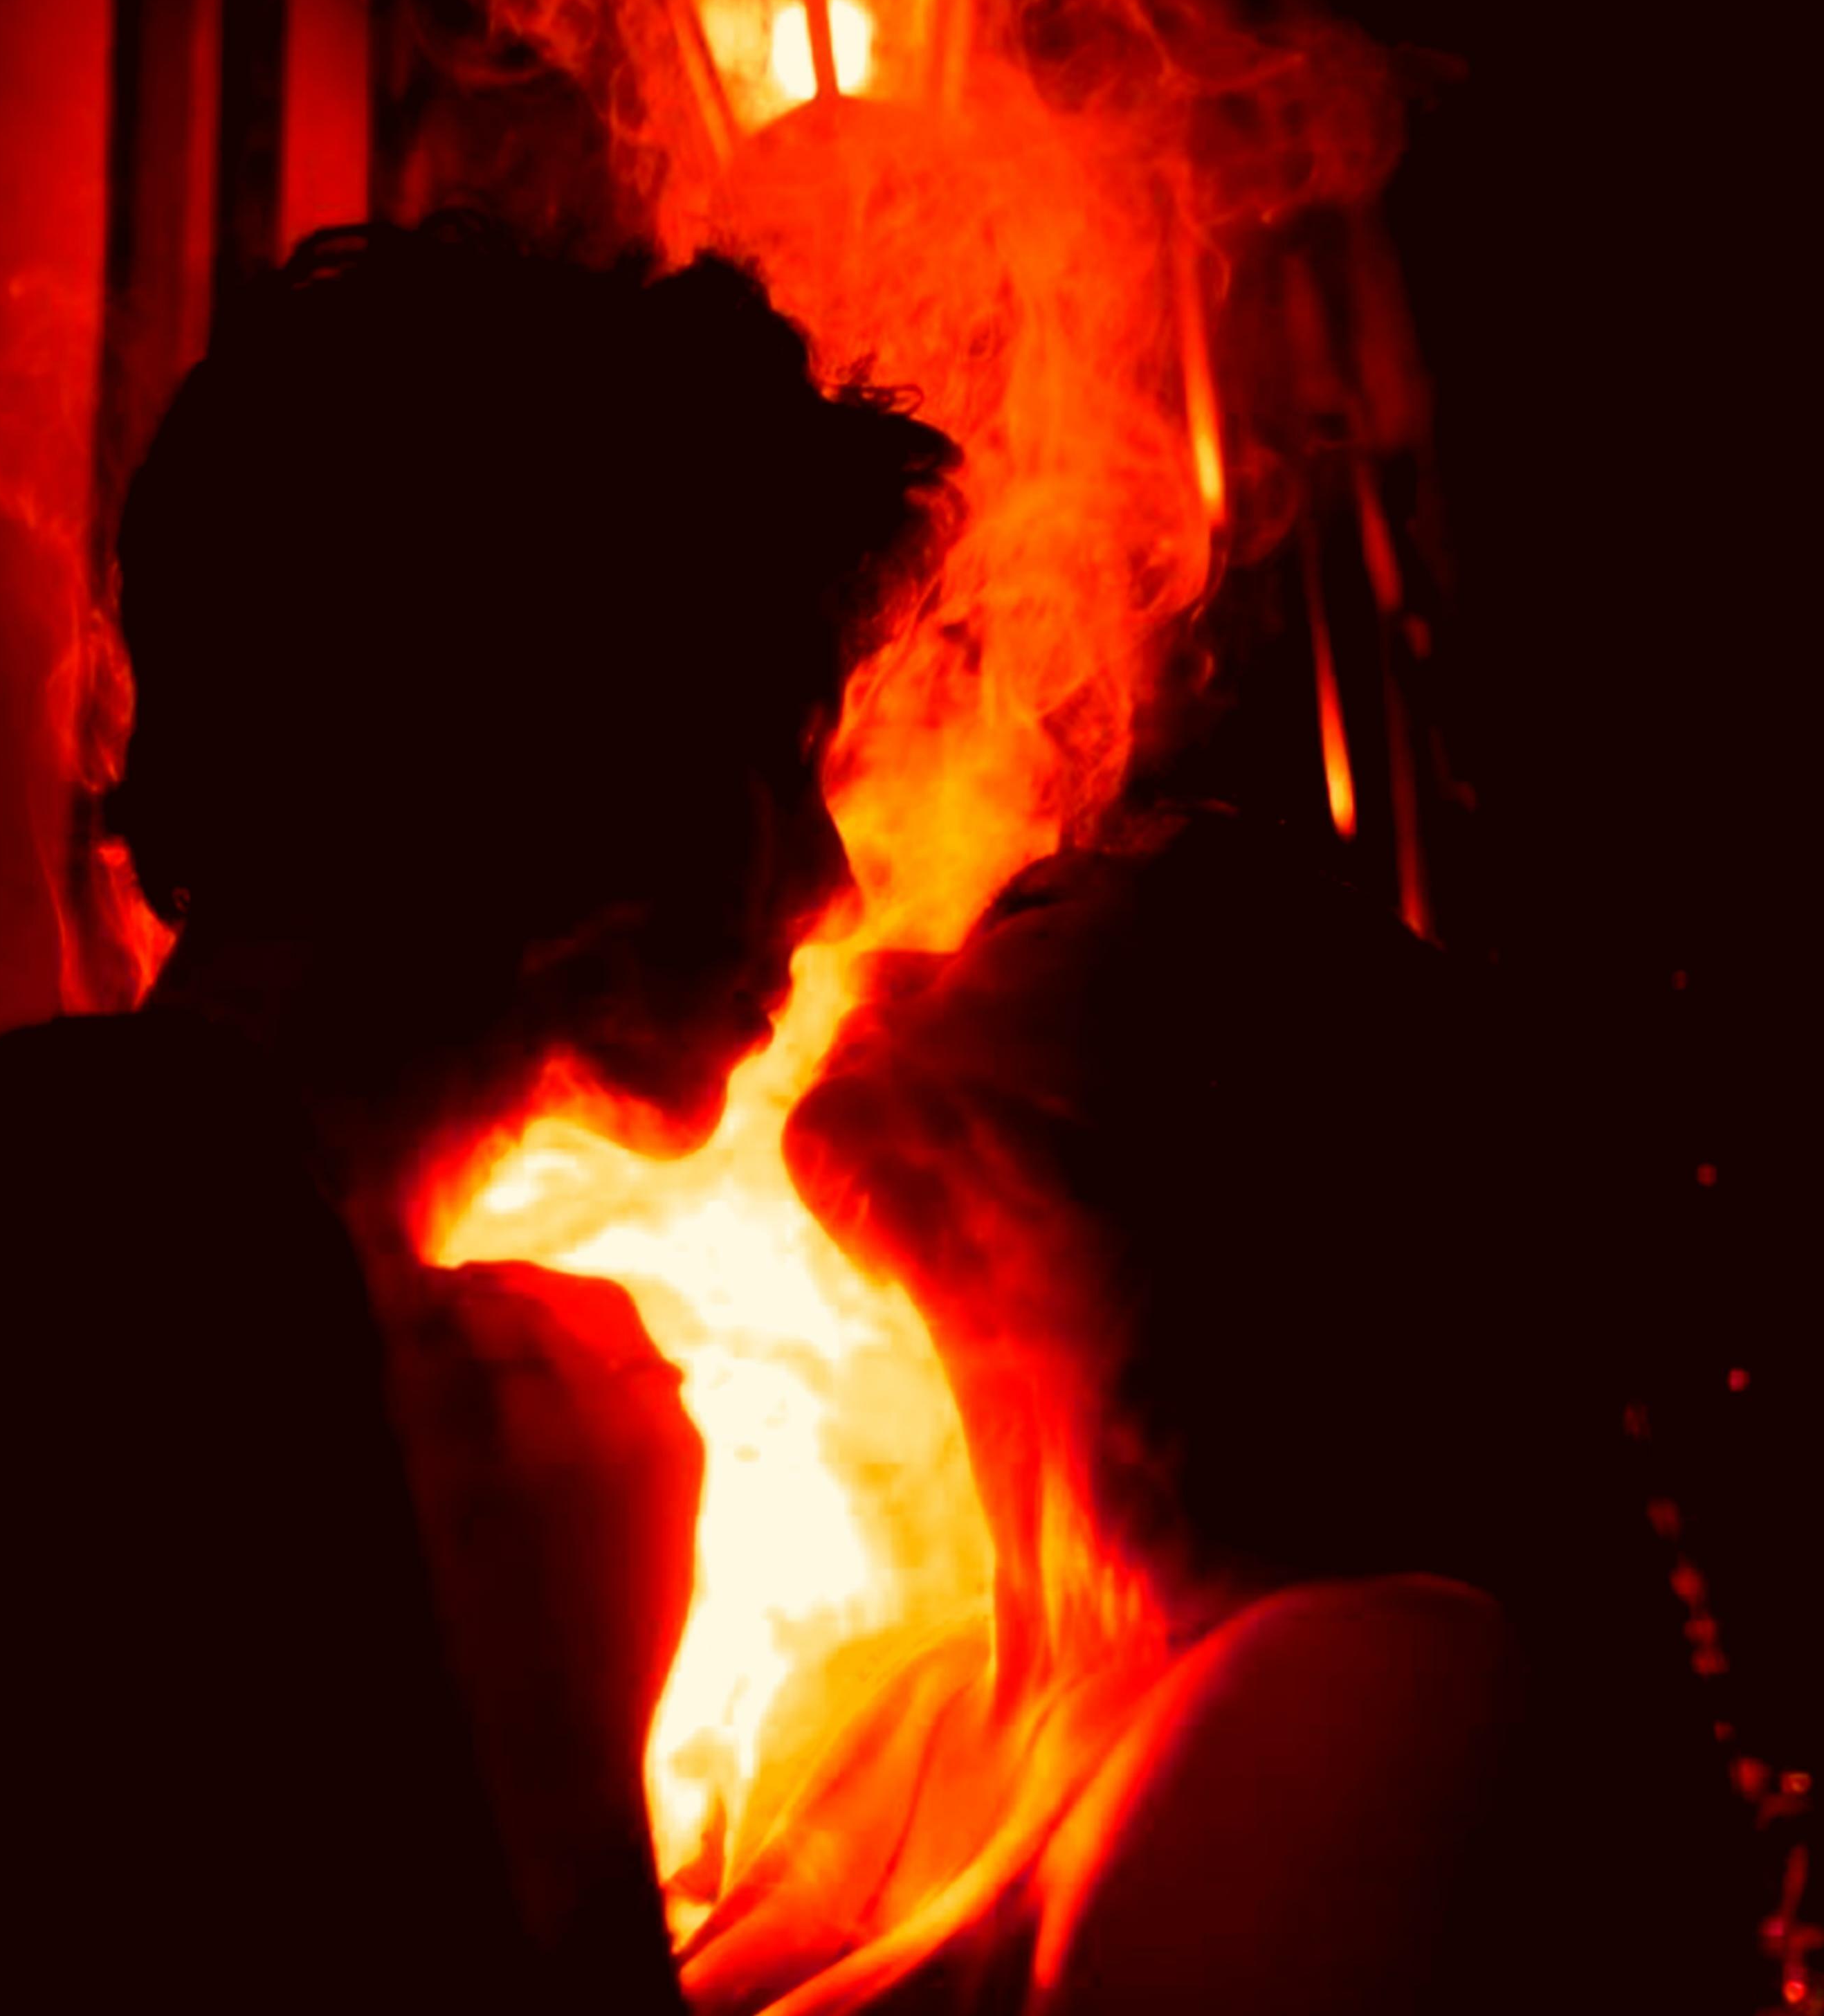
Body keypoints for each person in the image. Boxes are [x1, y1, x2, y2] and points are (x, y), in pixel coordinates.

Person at [0, 217, 957, 2011]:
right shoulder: (151, 1293)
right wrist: (558, 1762)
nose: (831, 884)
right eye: (784, 760)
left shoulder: (62, 1196)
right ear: (569, 740)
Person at [682, 805, 1708, 2015]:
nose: (883, 960)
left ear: (1230, 1089)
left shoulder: (1367, 1677)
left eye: (1024, 916)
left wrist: (567, 1727)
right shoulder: (870, 1700)